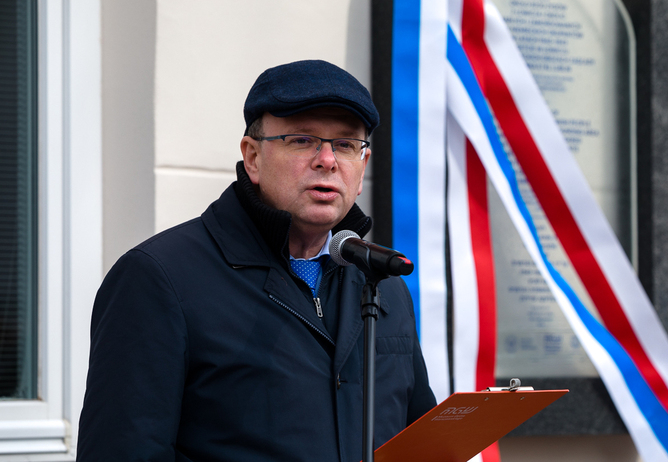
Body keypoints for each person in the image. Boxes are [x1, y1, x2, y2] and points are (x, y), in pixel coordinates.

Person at [77, 60, 437, 461]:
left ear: (362, 165)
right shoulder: (160, 278)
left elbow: (418, 439)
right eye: (303, 140)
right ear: (252, 158)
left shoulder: (382, 284)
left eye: (346, 145)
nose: (327, 160)